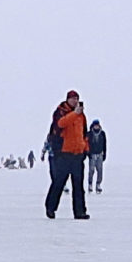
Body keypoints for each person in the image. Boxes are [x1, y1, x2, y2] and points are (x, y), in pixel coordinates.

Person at [44, 91, 90, 219]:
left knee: (78, 186)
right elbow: (60, 124)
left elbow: (84, 133)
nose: (75, 101)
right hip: (63, 154)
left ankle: (80, 211)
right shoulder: (61, 111)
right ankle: (50, 208)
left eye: (77, 99)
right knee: (58, 182)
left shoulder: (82, 116)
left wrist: (85, 149)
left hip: (77, 155)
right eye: (73, 99)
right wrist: (74, 114)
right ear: (68, 100)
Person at [87, 119, 107, 194]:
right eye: (95, 125)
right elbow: (87, 143)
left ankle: (98, 184)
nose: (96, 126)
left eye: (97, 125)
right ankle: (90, 184)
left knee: (100, 170)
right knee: (91, 170)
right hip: (92, 154)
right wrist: (88, 153)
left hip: (99, 154)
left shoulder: (102, 133)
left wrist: (104, 154)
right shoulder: (89, 134)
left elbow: (104, 144)